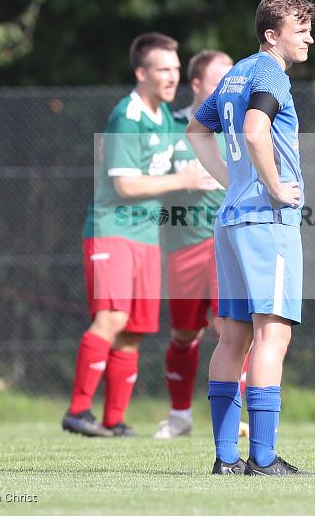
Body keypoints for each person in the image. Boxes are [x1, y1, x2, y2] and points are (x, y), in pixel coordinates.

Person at [187, 0, 315, 475]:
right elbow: (255, 130)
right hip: (267, 221)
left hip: (233, 219)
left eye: (310, 28)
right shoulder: (269, 73)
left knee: (233, 338)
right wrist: (276, 187)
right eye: (300, 29)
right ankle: (262, 459)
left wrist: (233, 182)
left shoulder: (235, 72)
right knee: (272, 336)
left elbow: (196, 131)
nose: (309, 37)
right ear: (271, 34)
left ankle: (226, 458)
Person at [63, 32, 208, 437]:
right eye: (163, 69)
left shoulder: (167, 119)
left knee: (132, 331)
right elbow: (125, 185)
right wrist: (183, 180)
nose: (172, 77)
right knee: (111, 317)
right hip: (113, 229)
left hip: (146, 236)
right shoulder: (127, 116)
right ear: (141, 73)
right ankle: (78, 411)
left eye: (176, 69)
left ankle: (115, 420)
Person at [154, 49, 236, 439]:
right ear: (198, 84)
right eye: (220, 80)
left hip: (226, 244)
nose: (229, 87)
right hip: (183, 246)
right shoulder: (169, 127)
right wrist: (179, 180)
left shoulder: (239, 123)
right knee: (184, 334)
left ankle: (236, 414)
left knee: (230, 328)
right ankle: (180, 415)